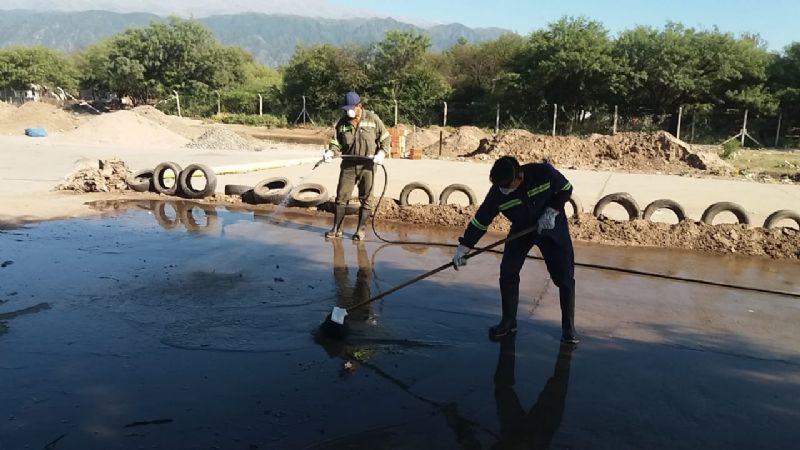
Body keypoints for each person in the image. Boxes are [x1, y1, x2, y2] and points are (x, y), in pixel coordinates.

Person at [452, 156, 578, 344]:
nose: (503, 190)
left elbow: (566, 188)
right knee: (508, 271)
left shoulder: (543, 173)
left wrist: (552, 211)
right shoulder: (498, 193)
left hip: (551, 225)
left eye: (506, 186)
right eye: (499, 186)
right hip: (522, 230)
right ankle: (508, 321)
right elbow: (481, 219)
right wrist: (464, 246)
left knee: (564, 276)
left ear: (518, 178)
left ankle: (569, 328)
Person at [323, 91, 391, 241]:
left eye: (351, 108)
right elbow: (336, 143)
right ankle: (337, 229)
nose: (348, 112)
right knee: (341, 197)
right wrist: (330, 152)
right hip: (348, 166)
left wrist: (381, 154)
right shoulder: (342, 123)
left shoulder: (373, 120)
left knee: (366, 199)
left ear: (359, 106)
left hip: (368, 166)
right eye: (346, 109)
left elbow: (386, 138)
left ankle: (360, 230)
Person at [492, 334, 575, 449]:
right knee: (556, 392)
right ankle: (509, 321)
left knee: (503, 389)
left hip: (516, 438)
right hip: (533, 438)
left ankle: (568, 328)